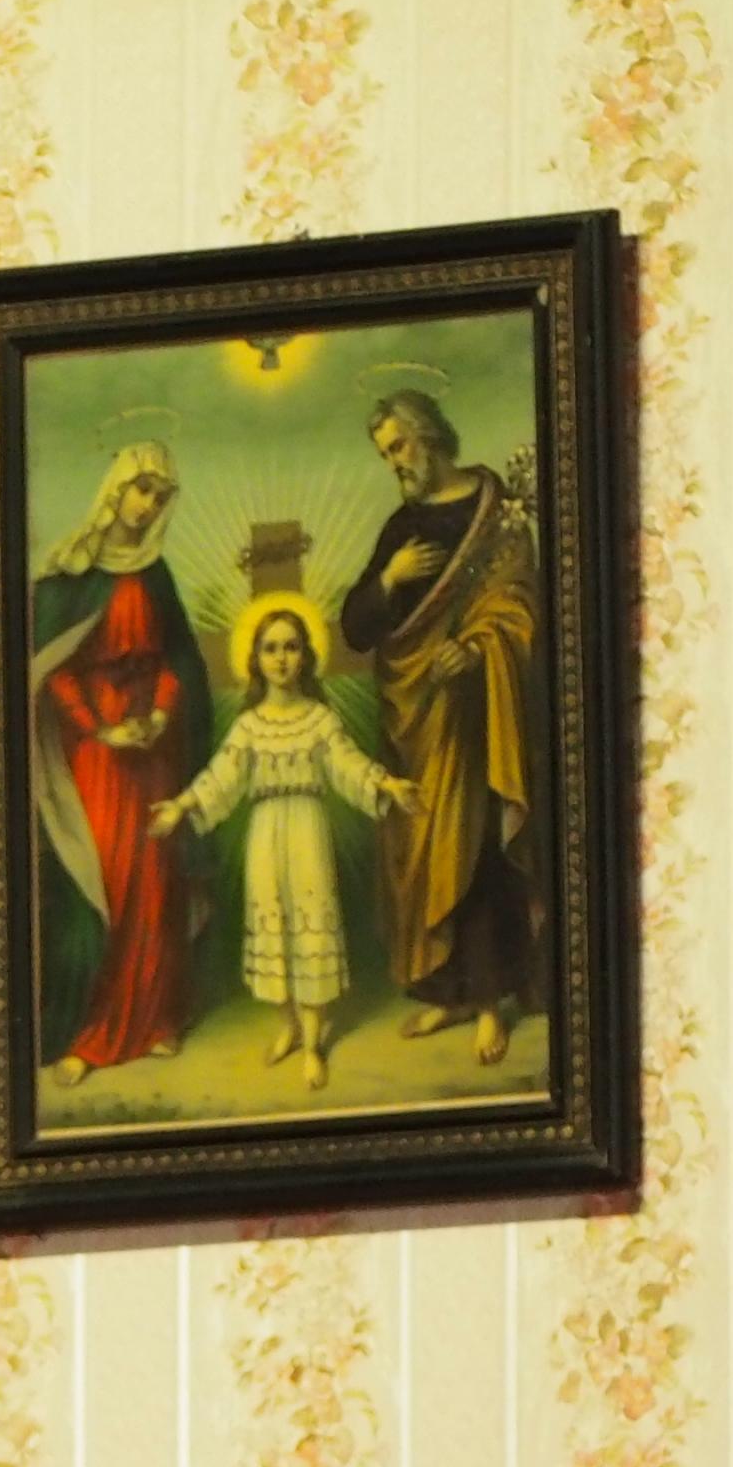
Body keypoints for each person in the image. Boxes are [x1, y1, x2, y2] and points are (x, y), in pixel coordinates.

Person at [338, 386, 545, 1066]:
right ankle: (451, 995)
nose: (394, 462)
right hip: (414, 717)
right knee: (426, 859)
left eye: (398, 446)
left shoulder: (498, 510)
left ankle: (490, 1005)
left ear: (428, 434)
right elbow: (357, 628)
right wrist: (389, 580)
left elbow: (520, 604)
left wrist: (479, 648)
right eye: (384, 453)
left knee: (478, 853)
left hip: (479, 713)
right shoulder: (402, 529)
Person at [151, 607, 416, 1088]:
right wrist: (180, 806)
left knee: (310, 930)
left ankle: (313, 1044)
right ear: (255, 658)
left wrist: (388, 784)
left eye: (291, 647)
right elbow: (219, 777)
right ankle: (289, 1027)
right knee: (273, 929)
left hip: (307, 834)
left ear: (306, 656)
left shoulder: (319, 719)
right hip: (264, 837)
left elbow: (349, 764)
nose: (280, 659)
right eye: (270, 648)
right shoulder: (249, 725)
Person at [28, 440, 214, 1088]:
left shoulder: (155, 574)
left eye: (160, 497)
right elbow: (51, 669)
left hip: (151, 746)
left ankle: (157, 1018)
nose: (148, 505)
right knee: (104, 880)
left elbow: (177, 660)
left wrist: (159, 716)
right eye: (142, 490)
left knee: (156, 883)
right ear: (116, 489)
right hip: (94, 750)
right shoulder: (71, 573)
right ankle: (91, 1033)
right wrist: (99, 728)